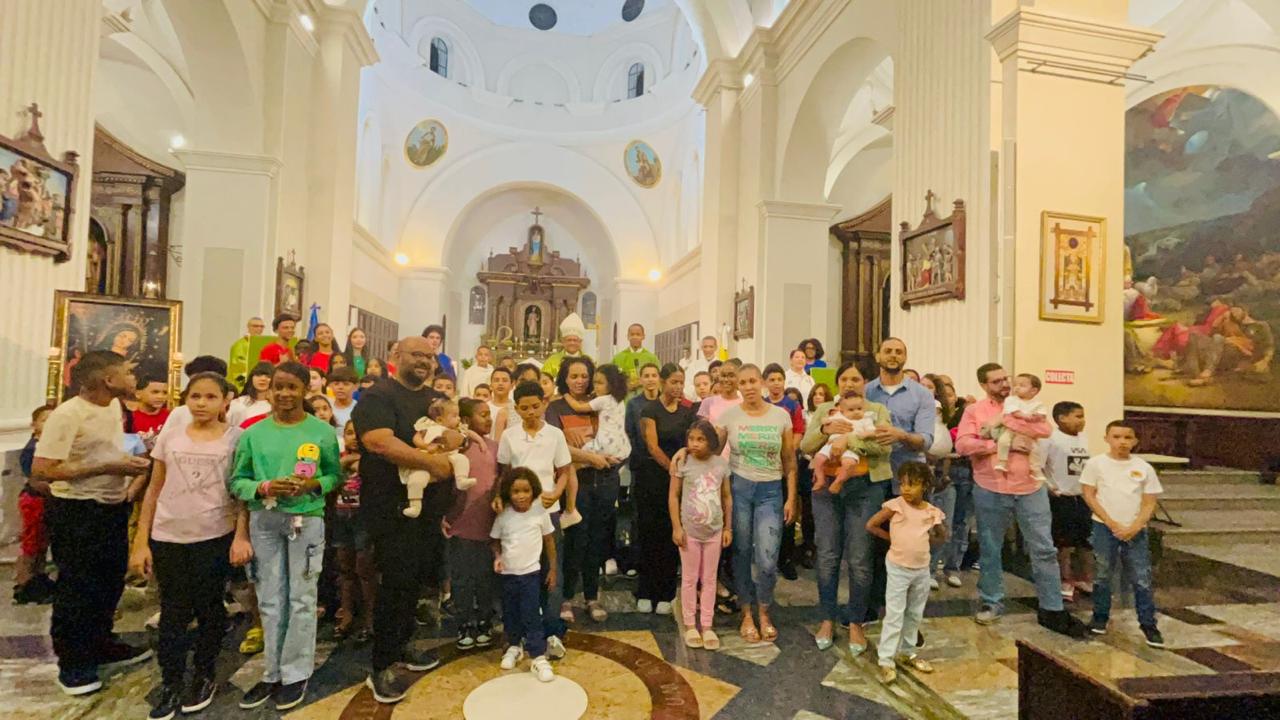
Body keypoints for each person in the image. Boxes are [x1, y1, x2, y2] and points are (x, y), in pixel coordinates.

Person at [129, 373, 250, 719]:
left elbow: (240, 493)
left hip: (213, 534)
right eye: (195, 396)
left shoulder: (236, 439)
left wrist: (241, 535)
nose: (201, 403)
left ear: (225, 401)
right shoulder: (171, 437)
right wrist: (141, 541)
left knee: (210, 608)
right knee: (173, 611)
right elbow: (153, 490)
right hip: (169, 534)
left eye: (210, 397)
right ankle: (170, 681)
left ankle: (203, 672)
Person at [33, 351, 153, 695]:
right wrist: (108, 468)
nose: (134, 378)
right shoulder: (68, 415)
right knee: (78, 586)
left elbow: (102, 452)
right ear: (108, 380)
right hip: (76, 510)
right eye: (128, 373)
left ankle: (101, 643)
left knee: (109, 579)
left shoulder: (113, 407)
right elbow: (44, 469)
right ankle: (73, 663)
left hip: (110, 506)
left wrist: (128, 463)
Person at [229, 362, 341, 711]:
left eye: (292, 387)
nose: (284, 394)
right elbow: (237, 482)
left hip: (306, 519)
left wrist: (312, 484)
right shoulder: (253, 433)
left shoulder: (321, 432)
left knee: (303, 597)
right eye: (278, 387)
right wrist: (263, 486)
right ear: (269, 390)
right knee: (270, 597)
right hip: (266, 519)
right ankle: (271, 671)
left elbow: (334, 476)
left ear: (305, 390)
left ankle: (295, 673)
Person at [353, 336, 455, 704]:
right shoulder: (379, 396)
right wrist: (432, 462)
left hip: (428, 510)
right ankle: (381, 665)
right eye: (417, 355)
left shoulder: (431, 401)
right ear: (395, 356)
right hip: (392, 510)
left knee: (415, 583)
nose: (425, 362)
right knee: (394, 584)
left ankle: (403, 645)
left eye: (429, 357)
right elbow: (379, 442)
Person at [956, 363, 1086, 637]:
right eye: (996, 382)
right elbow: (963, 445)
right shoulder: (975, 411)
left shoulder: (1030, 407)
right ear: (984, 386)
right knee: (991, 548)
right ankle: (992, 601)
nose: (1004, 385)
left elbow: (1046, 432)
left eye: (1006, 379)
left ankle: (1051, 607)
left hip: (1030, 487)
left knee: (1044, 548)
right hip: (991, 487)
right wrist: (1000, 445)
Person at [800, 361, 892, 653]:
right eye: (845, 379)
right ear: (837, 382)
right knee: (827, 556)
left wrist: (850, 439)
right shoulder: (825, 409)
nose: (850, 383)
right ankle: (827, 618)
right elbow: (805, 444)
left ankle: (855, 622)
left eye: (856, 379)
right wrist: (826, 431)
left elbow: (884, 446)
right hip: (826, 490)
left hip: (865, 489)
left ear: (865, 383)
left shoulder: (875, 411)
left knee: (860, 558)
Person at [712, 364, 797, 644]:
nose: (748, 387)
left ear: (761, 382)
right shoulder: (729, 416)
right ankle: (747, 613)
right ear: (736, 386)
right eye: (742, 382)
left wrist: (791, 498)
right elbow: (711, 452)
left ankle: (765, 611)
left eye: (752, 381)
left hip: (771, 490)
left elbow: (789, 461)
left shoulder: (780, 416)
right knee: (741, 552)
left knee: (768, 558)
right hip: (739, 488)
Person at [496, 380, 573, 660]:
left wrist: (557, 492)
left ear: (544, 404)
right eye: (524, 408)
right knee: (518, 570)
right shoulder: (510, 436)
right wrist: (500, 497)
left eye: (535, 406)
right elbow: (504, 470)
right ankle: (516, 635)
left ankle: (551, 631)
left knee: (551, 570)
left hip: (546, 507)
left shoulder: (554, 434)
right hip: (516, 509)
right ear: (516, 408)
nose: (531, 412)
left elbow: (565, 470)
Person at [556, 362, 630, 623]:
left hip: (606, 478)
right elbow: (555, 444)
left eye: (585, 376)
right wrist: (588, 456)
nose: (580, 381)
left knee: (598, 538)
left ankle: (591, 596)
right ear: (564, 378)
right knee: (575, 540)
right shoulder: (557, 407)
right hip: (578, 481)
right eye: (573, 376)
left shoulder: (601, 402)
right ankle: (565, 597)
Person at [1081, 421, 1165, 647]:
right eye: (1116, 437)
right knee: (1102, 574)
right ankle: (1099, 617)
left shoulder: (1144, 467)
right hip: (1104, 527)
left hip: (1135, 530)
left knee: (1141, 578)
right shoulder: (1096, 464)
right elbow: (1089, 494)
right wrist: (1110, 522)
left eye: (1128, 438)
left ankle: (1148, 624)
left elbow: (1149, 502)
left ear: (1135, 441)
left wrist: (1135, 526)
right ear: (1107, 438)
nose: (1122, 442)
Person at [865, 461, 946, 684]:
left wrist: (926, 541)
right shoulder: (896, 506)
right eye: (903, 484)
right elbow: (872, 525)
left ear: (925, 486)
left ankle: (907, 651)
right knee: (894, 613)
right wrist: (893, 539)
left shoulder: (931, 512)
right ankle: (886, 659)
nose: (906, 489)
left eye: (913, 485)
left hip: (921, 569)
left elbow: (942, 535)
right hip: (898, 567)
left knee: (915, 612)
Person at [637, 364, 698, 614]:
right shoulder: (649, 409)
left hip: (680, 477)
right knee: (649, 533)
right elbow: (652, 446)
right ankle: (645, 590)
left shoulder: (687, 411)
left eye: (681, 382)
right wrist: (671, 468)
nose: (677, 387)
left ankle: (665, 591)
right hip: (654, 476)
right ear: (662, 382)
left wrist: (681, 471)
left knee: (672, 533)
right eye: (673, 382)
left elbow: (692, 442)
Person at [668, 419, 731, 650]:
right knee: (689, 578)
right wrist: (676, 527)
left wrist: (727, 527)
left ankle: (707, 624)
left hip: (714, 530)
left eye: (701, 439)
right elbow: (673, 495)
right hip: (690, 531)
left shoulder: (720, 464)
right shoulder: (682, 462)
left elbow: (726, 497)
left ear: (711, 442)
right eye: (691, 439)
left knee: (709, 578)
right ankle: (689, 623)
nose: (695, 444)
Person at [491, 467, 558, 683]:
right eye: (515, 491)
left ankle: (538, 655)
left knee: (531, 614)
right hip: (508, 575)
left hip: (531, 574)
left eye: (526, 490)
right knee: (510, 612)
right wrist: (498, 556)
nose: (521, 496)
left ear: (534, 491)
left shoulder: (540, 513)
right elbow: (495, 541)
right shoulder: (503, 516)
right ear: (508, 493)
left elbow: (549, 541)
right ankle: (514, 646)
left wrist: (553, 569)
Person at [445, 400, 499, 650]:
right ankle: (465, 621)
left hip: (488, 522)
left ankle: (485, 619)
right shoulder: (456, 448)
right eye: (483, 415)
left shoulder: (496, 448)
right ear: (466, 421)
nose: (488, 420)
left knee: (485, 577)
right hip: (461, 523)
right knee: (463, 577)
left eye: (490, 415)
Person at [1043, 401, 1094, 602]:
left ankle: (1087, 579)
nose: (1082, 421)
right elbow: (1039, 466)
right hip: (1061, 497)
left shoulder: (1083, 438)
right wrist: (1050, 487)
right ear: (1062, 418)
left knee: (1085, 541)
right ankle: (1065, 580)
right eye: (1078, 416)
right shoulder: (1051, 439)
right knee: (1063, 543)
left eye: (1083, 416)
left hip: (1081, 496)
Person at [762, 362, 807, 580]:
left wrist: (787, 452)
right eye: (771, 379)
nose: (776, 383)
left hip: (786, 465)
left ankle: (785, 559)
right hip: (765, 466)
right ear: (765, 383)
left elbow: (798, 432)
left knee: (787, 512)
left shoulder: (792, 405)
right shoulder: (761, 404)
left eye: (779, 379)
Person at [332, 421, 375, 642]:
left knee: (365, 570)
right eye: (349, 433)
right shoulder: (339, 458)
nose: (354, 438)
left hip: (363, 519)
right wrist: (346, 461)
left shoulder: (373, 460)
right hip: (341, 518)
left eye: (359, 434)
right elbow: (330, 478)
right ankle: (347, 614)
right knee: (345, 568)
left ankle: (370, 619)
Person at [404, 398, 477, 517]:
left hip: (447, 457)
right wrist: (425, 445)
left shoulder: (455, 430)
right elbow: (416, 437)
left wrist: (479, 441)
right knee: (416, 479)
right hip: (426, 458)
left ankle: (461, 479)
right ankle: (415, 505)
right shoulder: (427, 426)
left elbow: (469, 434)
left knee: (461, 459)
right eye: (454, 416)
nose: (458, 418)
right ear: (439, 419)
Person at [13, 404, 55, 605]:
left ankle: (37, 579)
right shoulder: (33, 448)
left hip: (46, 501)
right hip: (34, 500)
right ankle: (24, 583)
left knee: (41, 543)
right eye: (45, 420)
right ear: (34, 425)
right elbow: (35, 477)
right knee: (31, 543)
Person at [811, 393, 879, 493]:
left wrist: (865, 434)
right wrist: (825, 422)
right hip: (831, 444)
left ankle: (839, 481)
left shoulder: (866, 420)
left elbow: (874, 431)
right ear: (842, 410)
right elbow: (826, 421)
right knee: (818, 458)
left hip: (851, 447)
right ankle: (820, 479)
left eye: (859, 409)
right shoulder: (838, 416)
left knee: (849, 463)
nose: (856, 412)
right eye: (851, 410)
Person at [991, 373, 1048, 482]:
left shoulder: (1038, 403)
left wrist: (1037, 417)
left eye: (1022, 385)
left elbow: (1042, 416)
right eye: (1015, 385)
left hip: (1028, 431)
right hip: (1012, 428)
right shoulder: (1011, 400)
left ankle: (1035, 470)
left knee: (1035, 449)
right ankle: (1002, 462)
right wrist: (1027, 416)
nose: (1017, 387)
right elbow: (1015, 413)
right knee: (1003, 441)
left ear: (1033, 391)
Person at [541, 313, 592, 380]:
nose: (572, 343)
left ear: (580, 342)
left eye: (575, 340)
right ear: (563, 342)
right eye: (569, 340)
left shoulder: (588, 361)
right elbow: (544, 381)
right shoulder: (552, 361)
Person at [611, 323, 661, 389]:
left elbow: (659, 380)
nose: (635, 337)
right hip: (625, 396)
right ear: (628, 336)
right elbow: (612, 379)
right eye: (632, 334)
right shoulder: (618, 358)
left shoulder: (652, 358)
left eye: (638, 334)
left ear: (643, 336)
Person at [228, 362, 274, 427]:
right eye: (258, 375)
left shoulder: (276, 405)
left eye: (268, 376)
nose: (263, 379)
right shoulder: (238, 402)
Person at [127, 372, 170, 436]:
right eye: (155, 392)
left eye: (165, 393)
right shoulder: (129, 418)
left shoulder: (170, 417)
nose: (161, 396)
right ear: (138, 394)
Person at [229, 317, 266, 389]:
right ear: (248, 327)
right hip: (244, 382)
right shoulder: (240, 345)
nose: (259, 329)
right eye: (255, 326)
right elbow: (237, 366)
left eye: (261, 326)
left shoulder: (264, 344)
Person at [683, 335, 719, 401]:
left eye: (711, 347)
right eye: (705, 347)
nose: (708, 350)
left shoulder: (721, 365)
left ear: (716, 347)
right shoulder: (693, 365)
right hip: (697, 400)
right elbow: (687, 385)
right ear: (701, 348)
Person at [487, 366, 515, 440]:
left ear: (512, 385)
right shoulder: (485, 407)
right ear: (491, 385)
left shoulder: (516, 409)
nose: (500, 383)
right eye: (496, 380)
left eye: (505, 380)